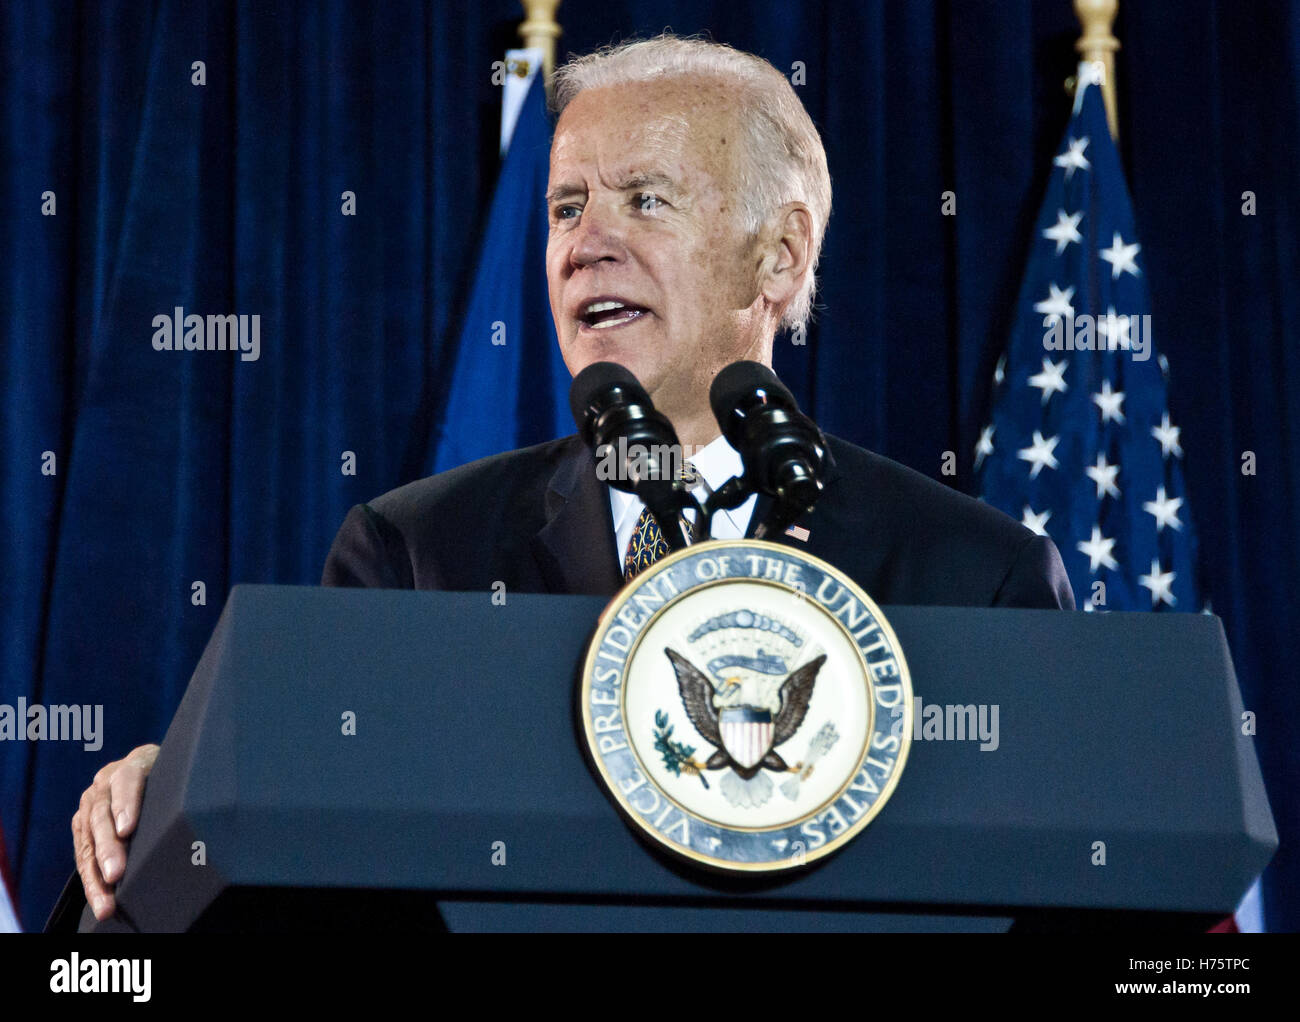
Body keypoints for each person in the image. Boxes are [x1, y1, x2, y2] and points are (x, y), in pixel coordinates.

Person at [71, 36, 1074, 923]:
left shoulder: (975, 574)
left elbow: (1068, 893)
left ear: (778, 253)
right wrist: (182, 800)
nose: (585, 243)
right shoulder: (418, 549)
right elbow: (319, 852)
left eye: (645, 198)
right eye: (567, 205)